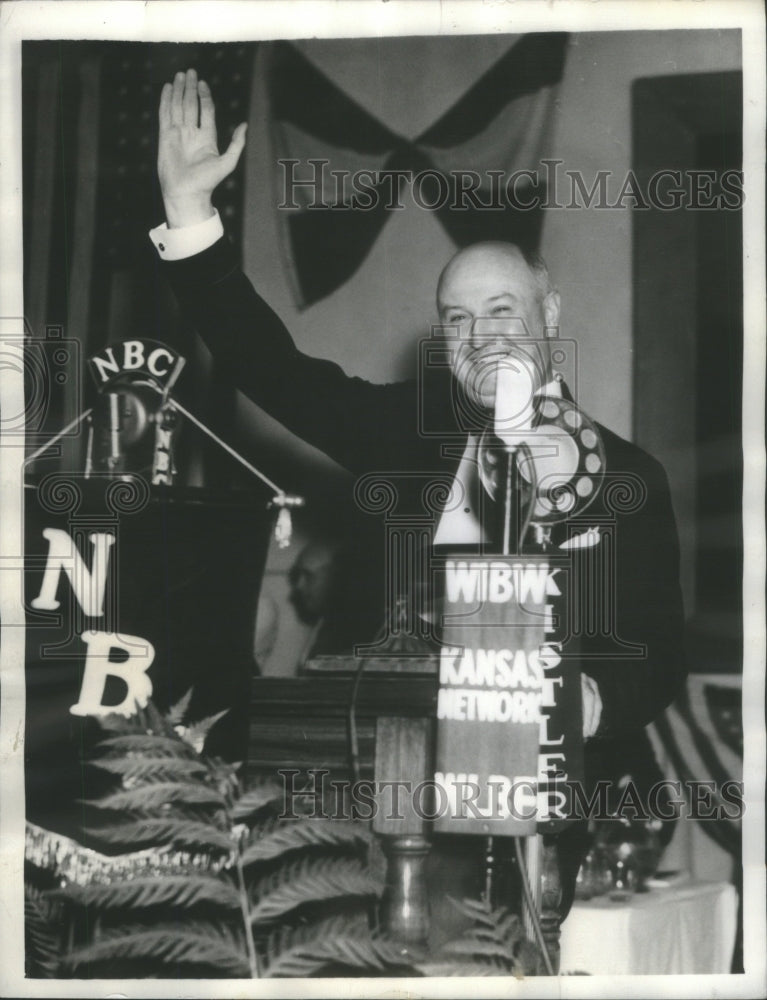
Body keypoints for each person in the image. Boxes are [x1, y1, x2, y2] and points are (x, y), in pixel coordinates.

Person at [149, 69, 686, 922]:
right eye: (458, 319)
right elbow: (272, 370)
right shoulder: (402, 434)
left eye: (501, 309)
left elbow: (655, 650)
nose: (479, 338)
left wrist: (578, 702)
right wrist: (191, 217)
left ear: (548, 314)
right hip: (363, 796)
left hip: (532, 823)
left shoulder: (623, 475)